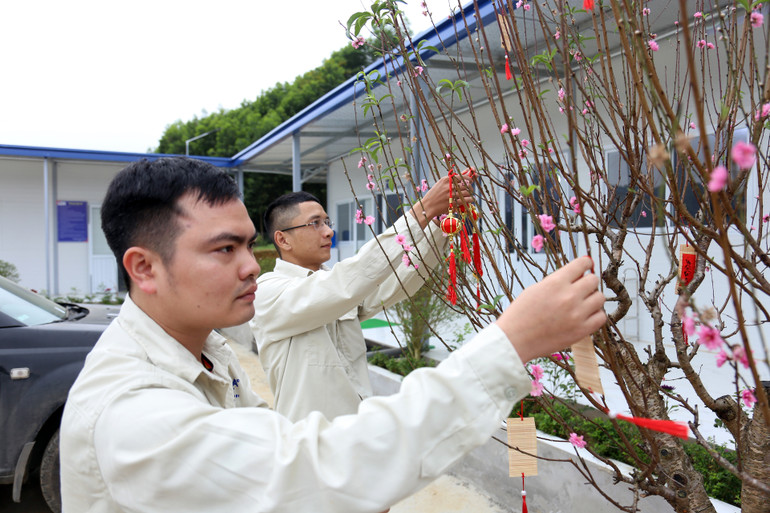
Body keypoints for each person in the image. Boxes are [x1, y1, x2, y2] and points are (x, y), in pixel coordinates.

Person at [60, 156, 606, 513]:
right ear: (145, 268)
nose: (250, 265)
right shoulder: (135, 411)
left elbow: (386, 281)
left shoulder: (205, 350)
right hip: (336, 460)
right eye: (225, 249)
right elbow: (310, 469)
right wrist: (511, 342)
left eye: (249, 246)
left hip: (354, 452)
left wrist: (443, 233)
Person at [251, 176, 469, 421]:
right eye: (314, 224)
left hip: (356, 432)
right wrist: (423, 209)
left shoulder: (336, 286)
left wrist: (438, 227)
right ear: (282, 239)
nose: (328, 231)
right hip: (310, 447)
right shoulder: (268, 292)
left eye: (326, 222)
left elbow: (393, 285)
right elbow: (347, 282)